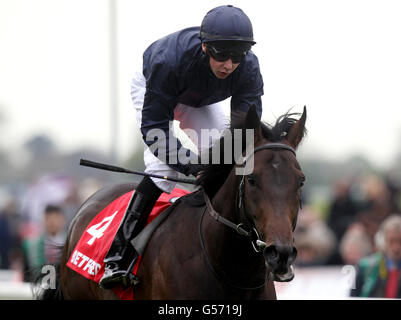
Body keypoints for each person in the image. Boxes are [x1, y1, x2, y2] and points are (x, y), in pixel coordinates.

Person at [99, 5, 264, 288]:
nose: (228, 64)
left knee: (230, 161)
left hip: (199, 100)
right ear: (204, 48)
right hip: (154, 88)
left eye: (236, 56)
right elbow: (155, 129)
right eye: (221, 54)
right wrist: (190, 164)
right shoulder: (168, 62)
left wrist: (219, 161)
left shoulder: (248, 68)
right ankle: (118, 254)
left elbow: (245, 129)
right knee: (162, 168)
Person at [350, 214, 401, 298]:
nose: (396, 247)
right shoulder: (367, 266)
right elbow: (353, 296)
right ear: (383, 240)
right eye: (392, 241)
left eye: (400, 241)